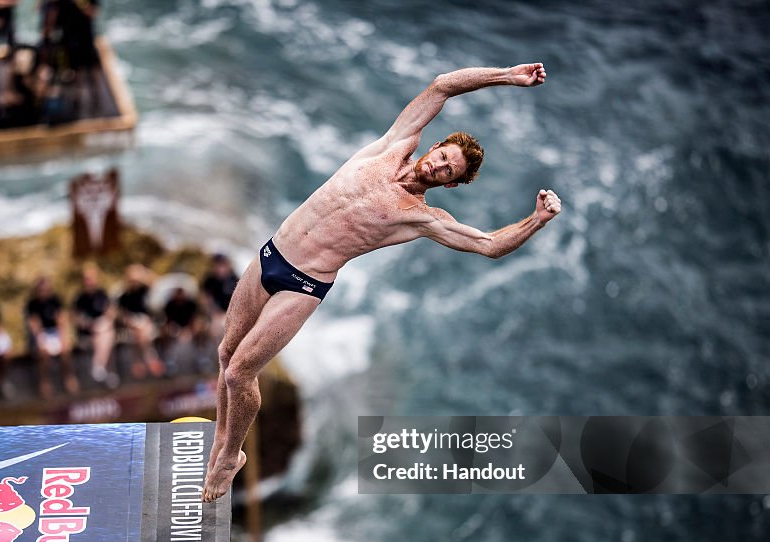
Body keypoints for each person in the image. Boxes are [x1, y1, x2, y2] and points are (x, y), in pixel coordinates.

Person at [202, 63, 563, 502]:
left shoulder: (422, 218)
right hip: (271, 254)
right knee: (226, 353)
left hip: (303, 283)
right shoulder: (390, 147)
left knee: (241, 371)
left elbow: (488, 244)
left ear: (450, 184)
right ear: (435, 145)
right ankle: (224, 440)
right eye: (444, 156)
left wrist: (537, 220)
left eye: (450, 172)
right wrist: (508, 76)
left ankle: (228, 457)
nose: (441, 166)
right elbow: (443, 86)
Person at [26, 276, 78, 397]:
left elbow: (61, 320)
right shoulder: (32, 304)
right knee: (43, 353)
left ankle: (68, 377)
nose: (44, 292)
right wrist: (40, 339)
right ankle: (45, 382)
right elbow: (34, 324)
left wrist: (63, 337)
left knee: (66, 349)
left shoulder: (55, 301)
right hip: (42, 334)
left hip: (55, 332)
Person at [72, 263, 117, 385]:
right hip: (87, 335)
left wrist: (104, 321)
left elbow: (111, 313)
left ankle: (99, 366)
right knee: (105, 336)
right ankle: (104, 370)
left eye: (91, 278)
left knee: (105, 332)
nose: (89, 282)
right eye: (86, 279)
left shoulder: (102, 294)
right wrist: (91, 325)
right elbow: (77, 320)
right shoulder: (79, 298)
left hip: (103, 330)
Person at [116, 263, 164, 379]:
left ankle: (138, 362)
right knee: (139, 330)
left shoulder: (144, 291)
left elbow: (156, 282)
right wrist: (131, 323)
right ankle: (151, 358)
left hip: (146, 323)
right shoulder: (124, 297)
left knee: (142, 329)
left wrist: (142, 273)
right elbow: (122, 316)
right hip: (131, 325)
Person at [200, 253, 238, 341]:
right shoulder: (210, 280)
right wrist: (214, 314)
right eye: (217, 265)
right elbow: (206, 301)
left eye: (222, 265)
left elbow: (239, 300)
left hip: (231, 314)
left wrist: (229, 315)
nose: (220, 268)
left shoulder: (234, 279)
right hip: (213, 315)